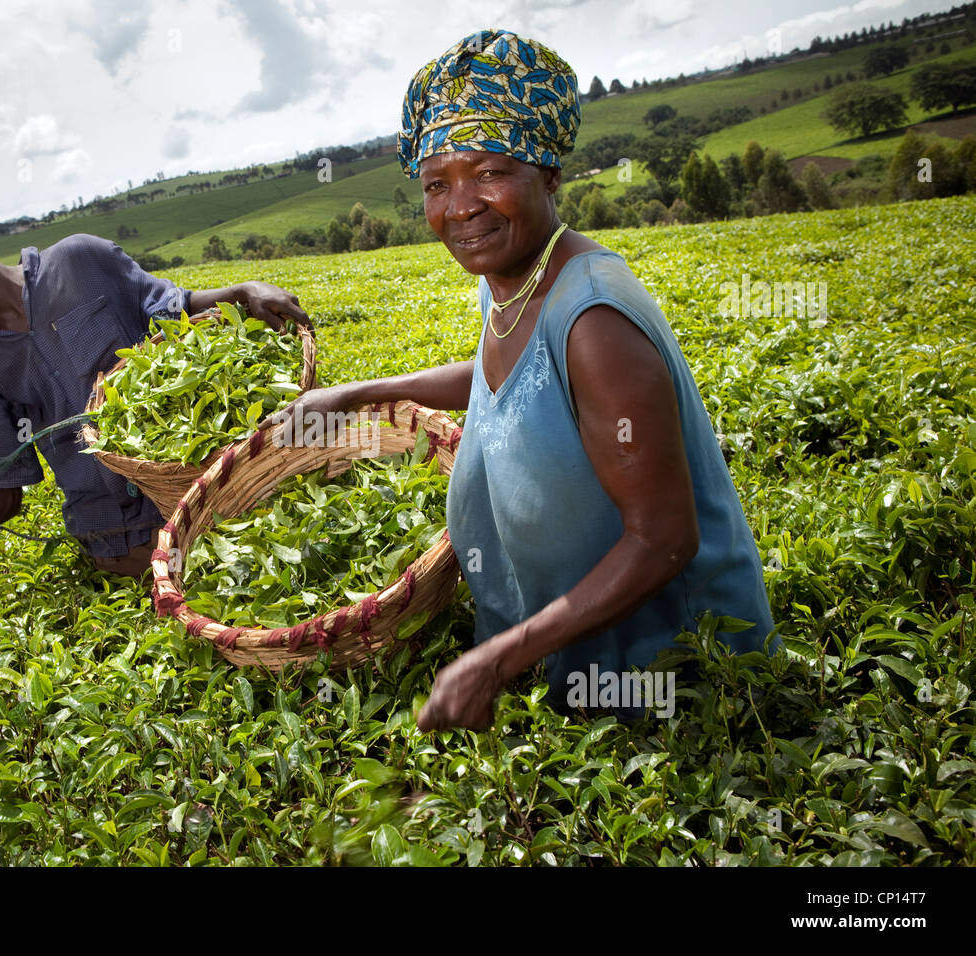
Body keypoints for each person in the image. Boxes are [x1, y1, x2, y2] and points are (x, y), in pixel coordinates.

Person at [274, 30, 776, 731]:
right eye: (436, 184)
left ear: (549, 175)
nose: (461, 206)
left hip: (662, 673)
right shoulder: (510, 279)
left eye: (489, 173)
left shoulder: (594, 320)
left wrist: (497, 661)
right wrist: (361, 393)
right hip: (571, 647)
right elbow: (507, 381)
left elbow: (663, 540)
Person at [0, 206, 308, 576]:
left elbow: (175, 308)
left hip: (205, 487)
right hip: (122, 542)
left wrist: (243, 292)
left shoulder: (80, 261)